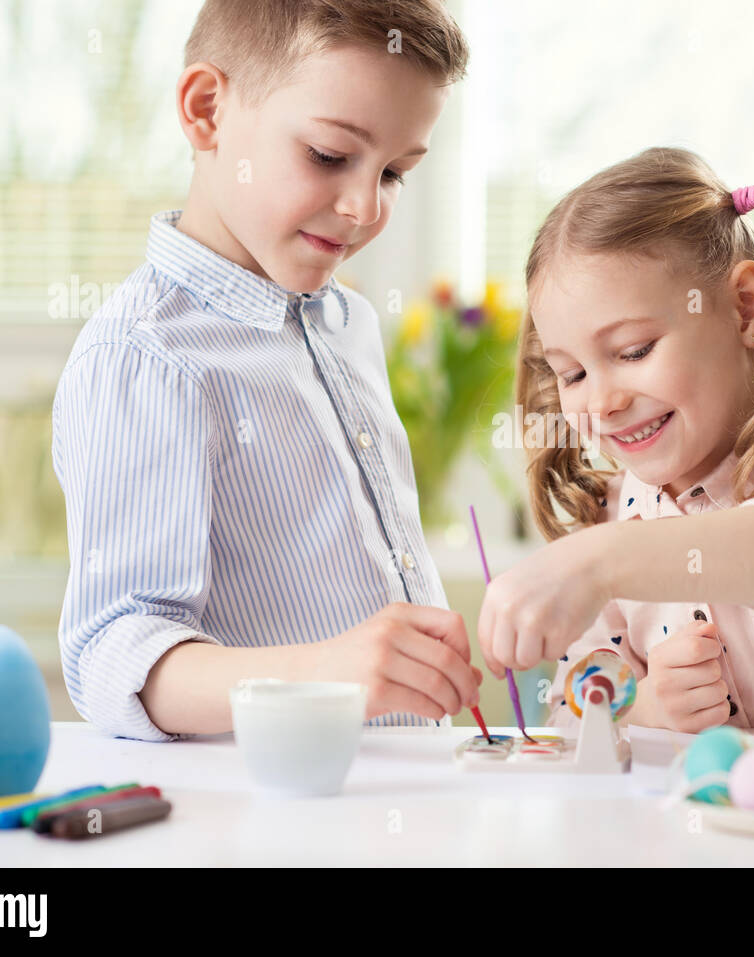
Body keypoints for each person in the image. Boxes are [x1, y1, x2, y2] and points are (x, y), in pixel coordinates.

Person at [51, 0, 480, 741]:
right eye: (328, 155)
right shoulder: (147, 356)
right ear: (206, 110)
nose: (363, 207)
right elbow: (116, 653)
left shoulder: (350, 324)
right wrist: (325, 673)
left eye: (396, 172)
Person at [477, 147, 754, 732]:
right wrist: (641, 707)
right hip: (690, 823)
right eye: (572, 374)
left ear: (745, 307)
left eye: (634, 352)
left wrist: (604, 562)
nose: (601, 401)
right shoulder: (610, 515)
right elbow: (573, 715)